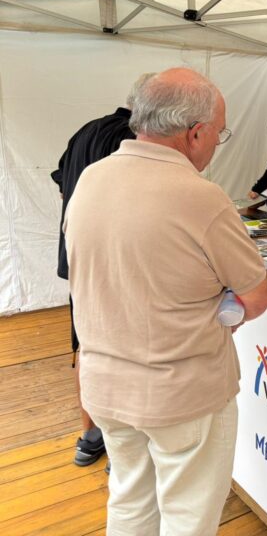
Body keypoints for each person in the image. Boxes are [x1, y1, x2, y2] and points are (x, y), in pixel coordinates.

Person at [64, 68, 267, 534]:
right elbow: (258, 297)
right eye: (220, 133)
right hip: (182, 394)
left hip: (106, 389)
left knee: (129, 501)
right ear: (195, 133)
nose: (218, 143)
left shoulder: (90, 180)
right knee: (188, 516)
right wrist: (223, 305)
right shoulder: (202, 197)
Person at [51, 72, 153, 468]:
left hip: (78, 257)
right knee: (124, 350)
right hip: (118, 263)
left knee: (86, 346)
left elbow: (62, 184)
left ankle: (90, 436)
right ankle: (122, 448)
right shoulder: (131, 141)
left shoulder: (86, 130)